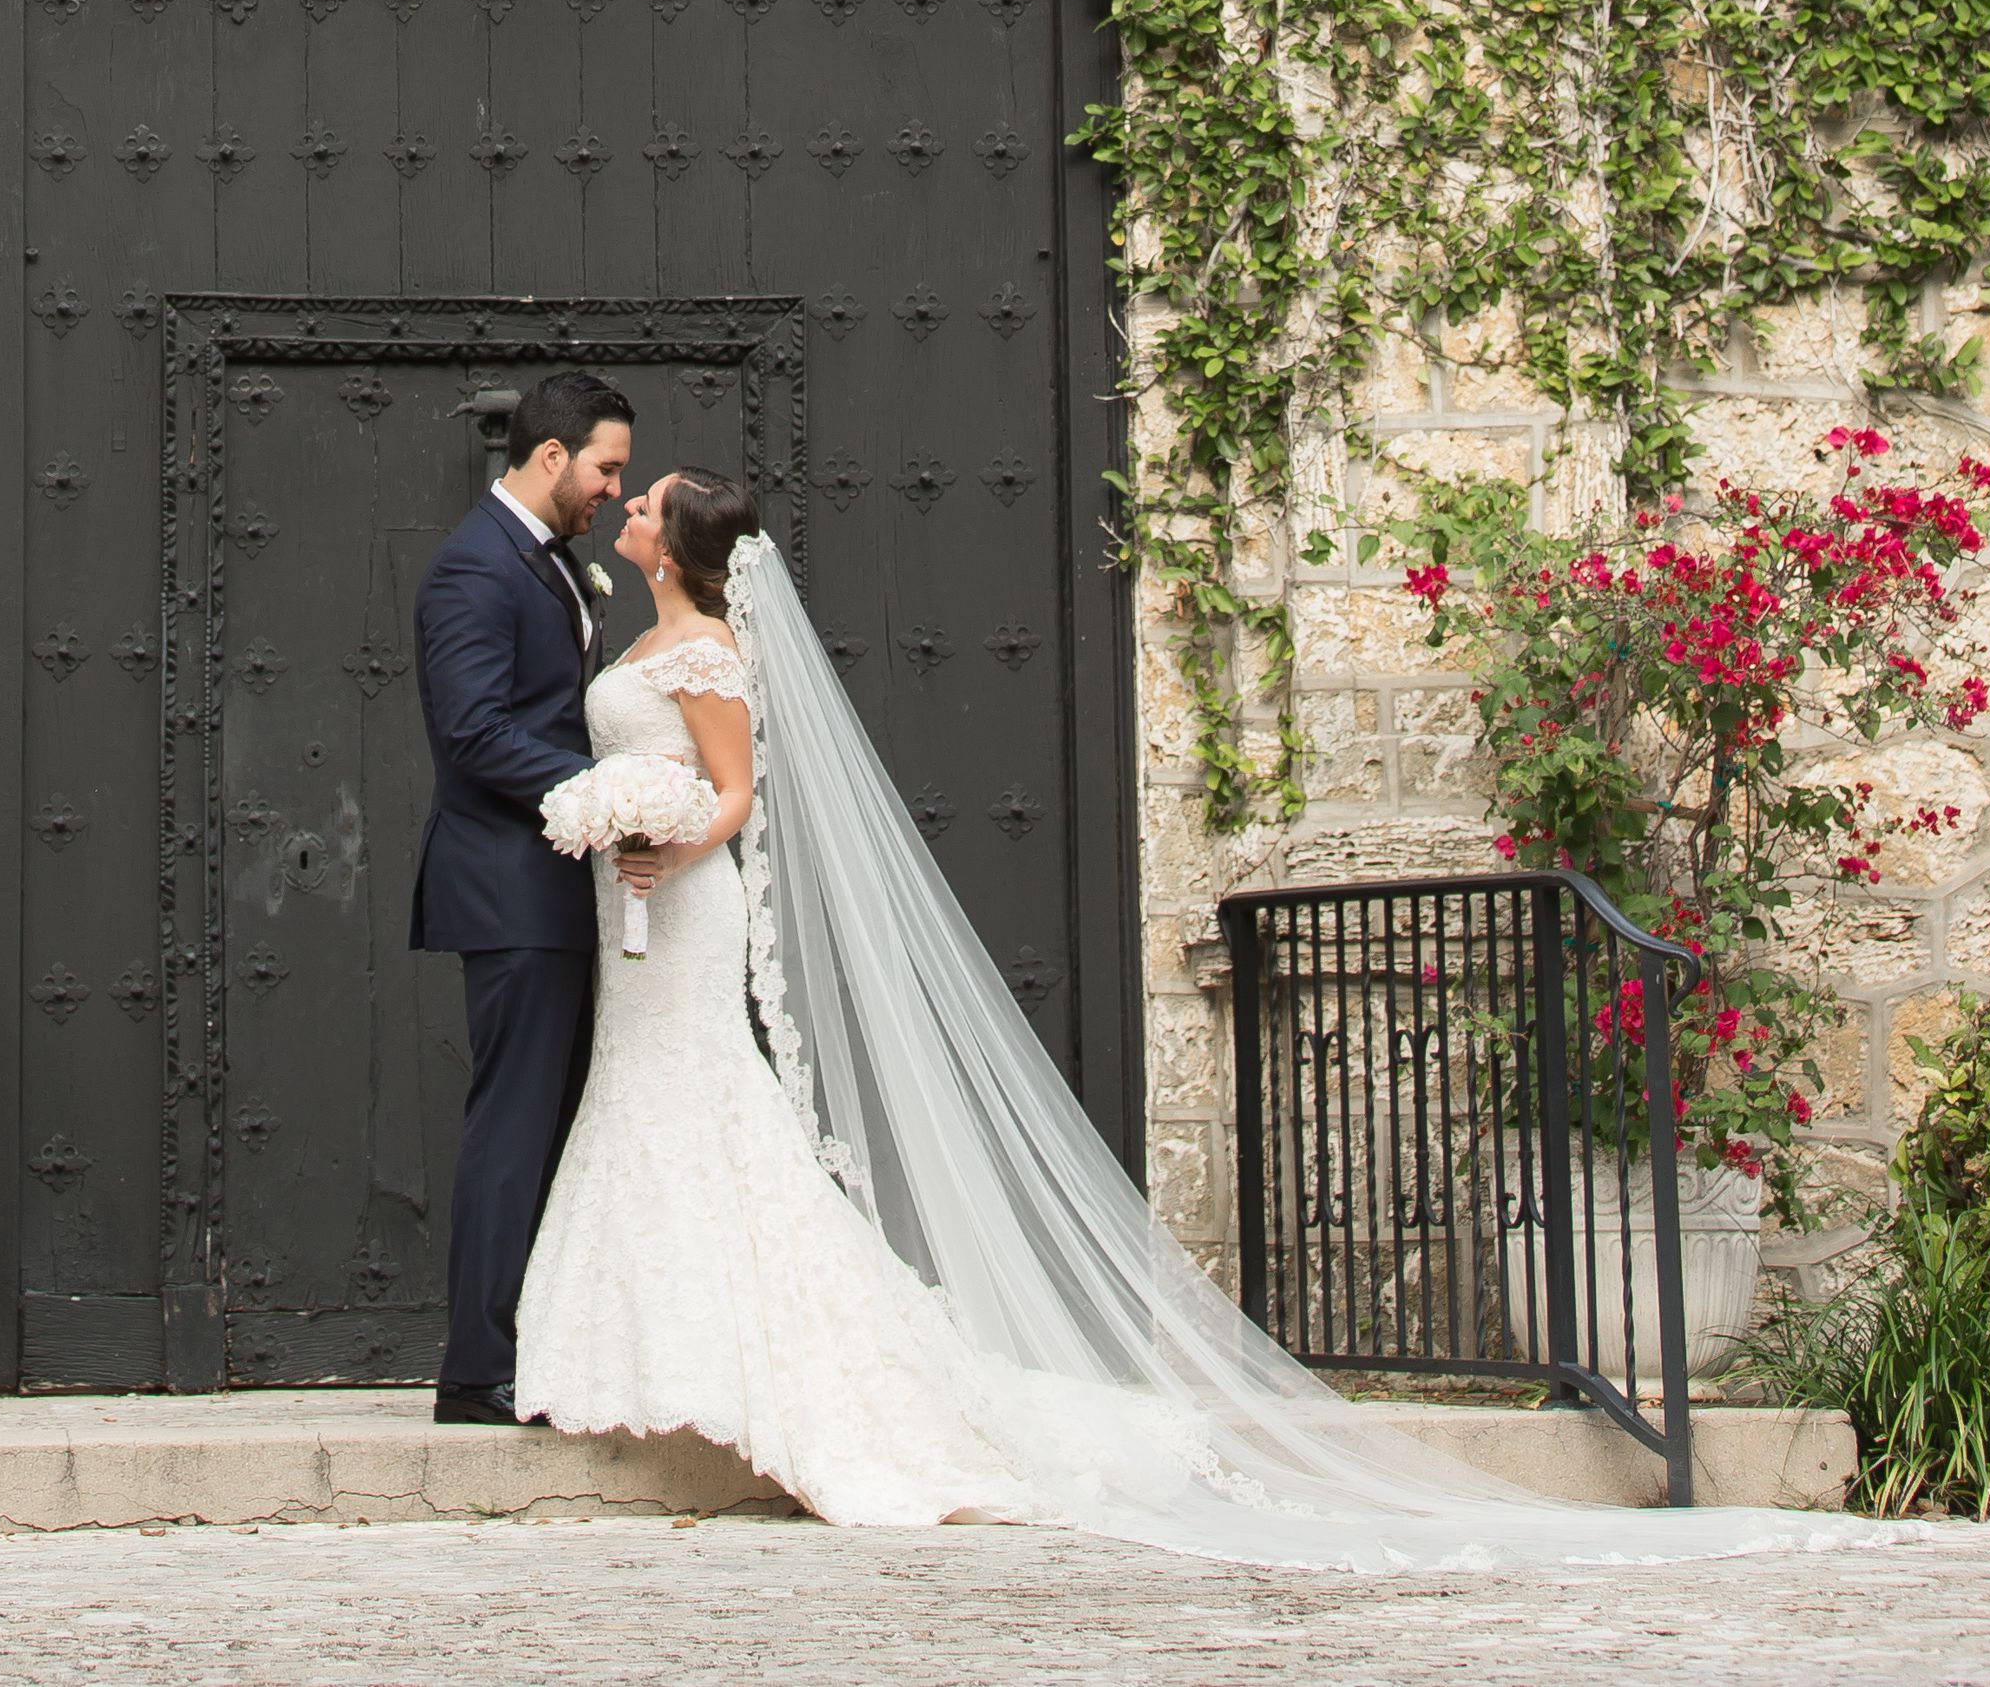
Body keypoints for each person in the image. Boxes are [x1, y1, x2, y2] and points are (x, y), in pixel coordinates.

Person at [512, 470, 1811, 1564]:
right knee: (640, 1097)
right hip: (639, 919)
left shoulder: (708, 651)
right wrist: (618, 815)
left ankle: (744, 1359)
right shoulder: (637, 632)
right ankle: (632, 1349)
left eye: (650, 503)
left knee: (706, 1105)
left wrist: (668, 844)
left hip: (680, 902)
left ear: (676, 544)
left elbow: (734, 789)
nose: (630, 504)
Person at [408, 369, 633, 1426]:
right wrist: (606, 788)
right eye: (605, 466)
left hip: (551, 883)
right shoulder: (473, 566)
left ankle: (531, 1347)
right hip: (507, 887)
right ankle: (476, 1368)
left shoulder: (551, 565)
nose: (614, 490)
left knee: (546, 1123)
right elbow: (472, 732)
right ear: (552, 455)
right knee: (512, 1121)